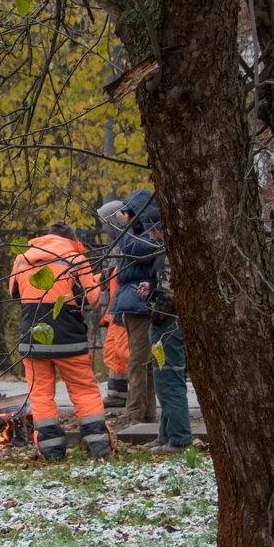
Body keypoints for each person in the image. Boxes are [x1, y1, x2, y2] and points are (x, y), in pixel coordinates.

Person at [9, 222, 114, 460]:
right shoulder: (76, 259)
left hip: (33, 340)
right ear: (71, 239)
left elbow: (15, 293)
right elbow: (93, 300)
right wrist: (99, 279)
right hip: (69, 341)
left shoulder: (21, 259)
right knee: (84, 392)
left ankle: (52, 452)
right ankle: (98, 449)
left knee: (40, 395)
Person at [109, 189, 161, 424]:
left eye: (128, 213)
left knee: (138, 361)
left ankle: (135, 414)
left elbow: (133, 249)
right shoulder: (140, 233)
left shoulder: (149, 235)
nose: (124, 217)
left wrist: (124, 228)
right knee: (143, 361)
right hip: (132, 302)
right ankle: (146, 412)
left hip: (140, 303)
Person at [142, 218, 193, 453]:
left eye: (153, 229)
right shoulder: (176, 252)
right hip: (173, 323)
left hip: (168, 327)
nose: (150, 234)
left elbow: (168, 296)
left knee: (169, 381)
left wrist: (155, 318)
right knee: (166, 381)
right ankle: (165, 436)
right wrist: (150, 292)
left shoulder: (166, 256)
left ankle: (179, 439)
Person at [96, 199, 130, 409]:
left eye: (104, 223)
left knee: (123, 351)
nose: (102, 228)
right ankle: (117, 393)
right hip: (114, 307)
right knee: (112, 350)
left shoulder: (129, 241)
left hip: (123, 306)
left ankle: (132, 392)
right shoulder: (117, 243)